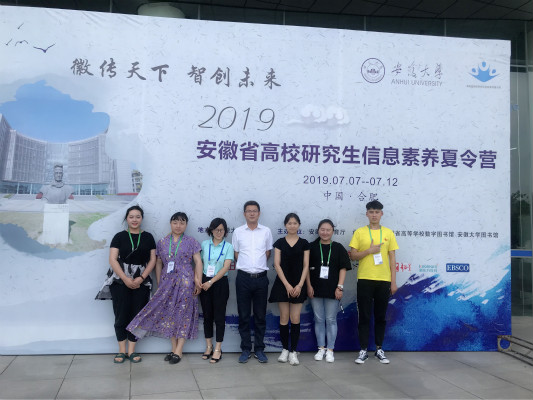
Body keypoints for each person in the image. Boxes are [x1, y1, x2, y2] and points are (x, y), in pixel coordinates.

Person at [127, 212, 203, 365]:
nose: (178, 226)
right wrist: (160, 283)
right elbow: (159, 263)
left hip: (186, 283)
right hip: (167, 283)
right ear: (170, 223)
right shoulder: (162, 242)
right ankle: (173, 348)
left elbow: (198, 262)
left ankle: (179, 350)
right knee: (170, 314)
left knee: (184, 314)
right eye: (175, 222)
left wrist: (198, 281)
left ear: (186, 225)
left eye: (182, 223)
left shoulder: (191, 241)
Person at [95, 205, 156, 364]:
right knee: (120, 315)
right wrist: (125, 278)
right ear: (126, 219)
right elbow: (112, 259)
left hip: (141, 281)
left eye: (138, 216)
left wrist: (141, 278)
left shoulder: (148, 237)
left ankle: (131, 351)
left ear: (142, 219)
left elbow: (153, 260)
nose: (134, 220)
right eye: (131, 217)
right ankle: (121, 350)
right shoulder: (119, 236)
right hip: (119, 280)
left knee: (137, 316)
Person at [349, 200, 399, 365]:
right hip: (365, 279)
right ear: (367, 214)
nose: (374, 215)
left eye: (377, 212)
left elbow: (392, 259)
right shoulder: (360, 232)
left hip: (383, 280)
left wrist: (393, 282)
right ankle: (363, 349)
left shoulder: (389, 233)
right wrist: (369, 251)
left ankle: (379, 349)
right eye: (371, 212)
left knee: (380, 316)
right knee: (364, 316)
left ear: (381, 214)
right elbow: (353, 256)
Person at [232, 200, 273, 363]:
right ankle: (245, 349)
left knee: (260, 316)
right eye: (248, 211)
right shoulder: (238, 232)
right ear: (244, 214)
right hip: (243, 278)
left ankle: (259, 349)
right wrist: (247, 267)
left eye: (254, 211)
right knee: (243, 315)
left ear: (259, 213)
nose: (251, 213)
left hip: (261, 279)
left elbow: (268, 252)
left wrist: (256, 267)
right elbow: (236, 253)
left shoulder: (266, 231)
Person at [306, 219, 351, 363]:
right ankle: (321, 348)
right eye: (322, 229)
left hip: (333, 290)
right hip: (315, 289)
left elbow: (343, 268)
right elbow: (306, 269)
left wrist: (340, 287)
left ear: (333, 231)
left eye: (328, 230)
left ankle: (330, 350)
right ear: (318, 230)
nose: (325, 232)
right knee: (319, 319)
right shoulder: (311, 247)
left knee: (331, 320)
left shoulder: (338, 247)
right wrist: (309, 286)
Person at [268, 213, 309, 366]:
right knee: (284, 317)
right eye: (289, 223)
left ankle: (293, 351)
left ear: (299, 225)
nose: (292, 225)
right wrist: (286, 284)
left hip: (298, 284)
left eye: (295, 223)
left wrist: (299, 285)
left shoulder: (304, 243)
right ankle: (285, 349)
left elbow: (306, 265)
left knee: (295, 318)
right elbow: (277, 264)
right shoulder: (279, 242)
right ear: (285, 225)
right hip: (282, 284)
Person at [199, 217, 234, 363]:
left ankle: (218, 349)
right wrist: (200, 281)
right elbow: (200, 263)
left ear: (225, 231)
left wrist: (211, 282)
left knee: (219, 317)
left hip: (220, 283)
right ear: (211, 230)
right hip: (204, 282)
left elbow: (226, 267)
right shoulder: (204, 244)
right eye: (216, 229)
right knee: (207, 316)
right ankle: (209, 346)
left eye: (222, 230)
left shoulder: (228, 247)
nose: (219, 232)